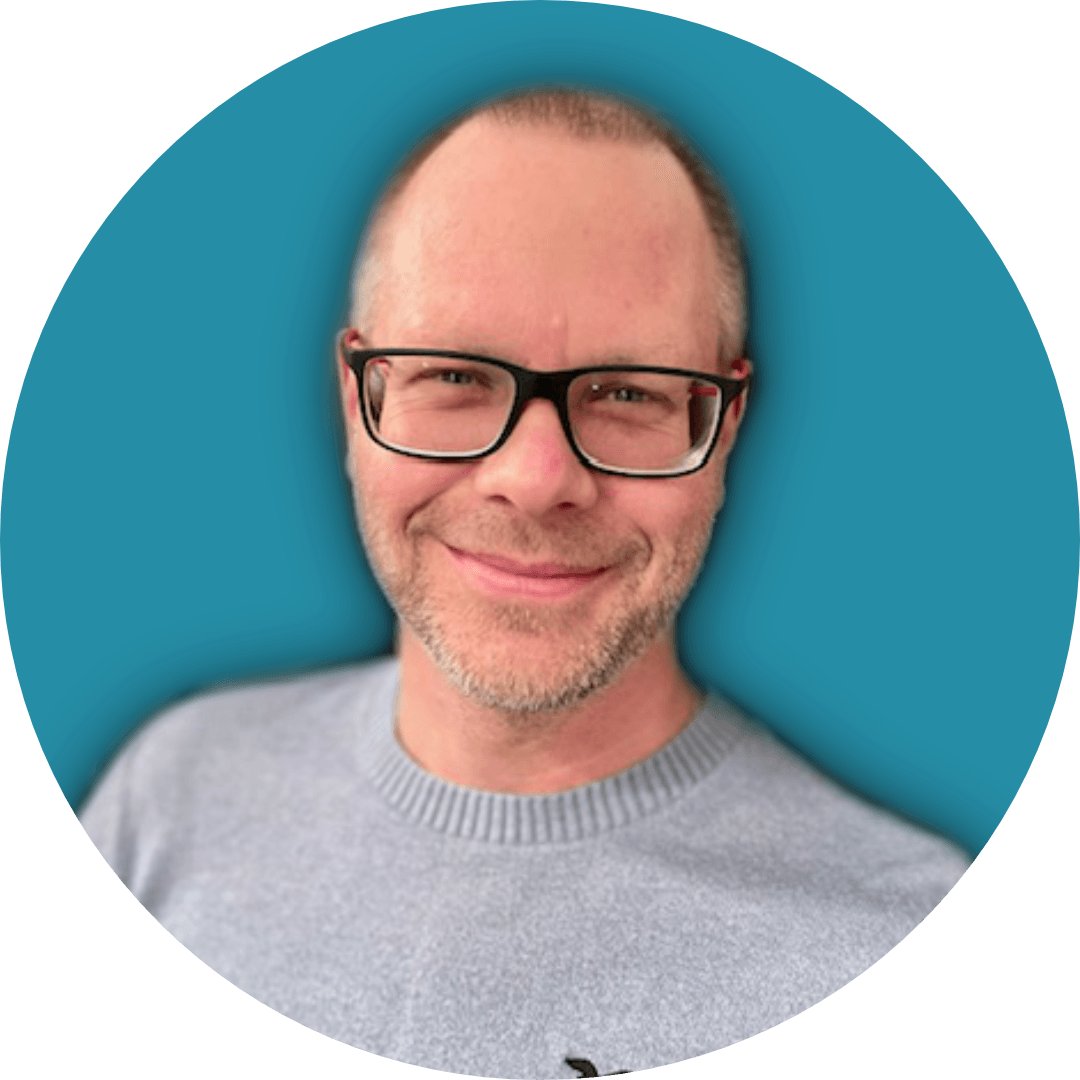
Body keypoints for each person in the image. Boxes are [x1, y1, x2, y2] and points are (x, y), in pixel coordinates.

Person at [79, 87, 970, 1076]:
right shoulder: (170, 792)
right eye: (455, 375)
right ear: (354, 398)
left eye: (627, 392)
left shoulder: (888, 928)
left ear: (721, 430)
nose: (539, 481)